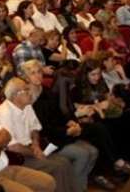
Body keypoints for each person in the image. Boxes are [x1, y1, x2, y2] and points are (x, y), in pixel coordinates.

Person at [19, 60, 101, 192]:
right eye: (32, 73)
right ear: (25, 77)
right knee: (83, 154)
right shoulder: (25, 97)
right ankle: (73, 188)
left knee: (93, 151)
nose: (38, 76)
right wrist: (67, 131)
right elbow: (41, 128)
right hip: (47, 140)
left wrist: (70, 122)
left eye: (39, 71)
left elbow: (58, 113)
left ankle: (79, 186)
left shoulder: (46, 91)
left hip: (59, 132)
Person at [0, 78, 77, 192]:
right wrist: (34, 152)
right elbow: (12, 147)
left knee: (64, 162)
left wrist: (36, 145)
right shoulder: (4, 113)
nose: (30, 92)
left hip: (31, 148)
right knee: (58, 167)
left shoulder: (26, 105)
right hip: (17, 157)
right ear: (15, 95)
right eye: (26, 90)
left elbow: (35, 128)